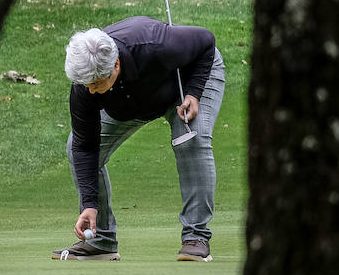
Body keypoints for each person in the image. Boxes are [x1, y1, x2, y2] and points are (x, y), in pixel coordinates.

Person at [52, 16, 224, 262]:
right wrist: (89, 204)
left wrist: (194, 93)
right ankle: (101, 241)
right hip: (133, 101)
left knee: (190, 140)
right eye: (86, 85)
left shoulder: (156, 45)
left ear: (116, 66)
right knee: (73, 148)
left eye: (97, 84)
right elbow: (85, 146)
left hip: (185, 81)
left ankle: (196, 237)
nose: (90, 91)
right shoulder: (86, 83)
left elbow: (206, 41)